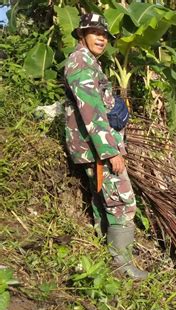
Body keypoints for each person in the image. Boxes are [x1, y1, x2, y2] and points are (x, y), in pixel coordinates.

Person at [64, 13, 147, 280]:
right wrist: (111, 152)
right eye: (94, 32)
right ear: (81, 34)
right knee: (123, 203)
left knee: (104, 202)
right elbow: (92, 112)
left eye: (105, 35)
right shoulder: (80, 63)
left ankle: (108, 260)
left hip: (94, 148)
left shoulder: (89, 62)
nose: (101, 38)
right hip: (99, 150)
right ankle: (120, 267)